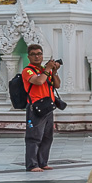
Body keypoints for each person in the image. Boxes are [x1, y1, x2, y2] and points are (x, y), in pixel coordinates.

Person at [23, 44, 61, 172]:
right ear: (29, 56)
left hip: (47, 106)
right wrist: (47, 69)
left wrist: (53, 71)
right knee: (34, 137)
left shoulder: (44, 71)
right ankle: (32, 164)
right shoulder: (28, 70)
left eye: (39, 54)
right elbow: (38, 81)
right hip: (35, 107)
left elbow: (57, 85)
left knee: (47, 136)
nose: (37, 56)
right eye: (33, 54)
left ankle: (42, 162)